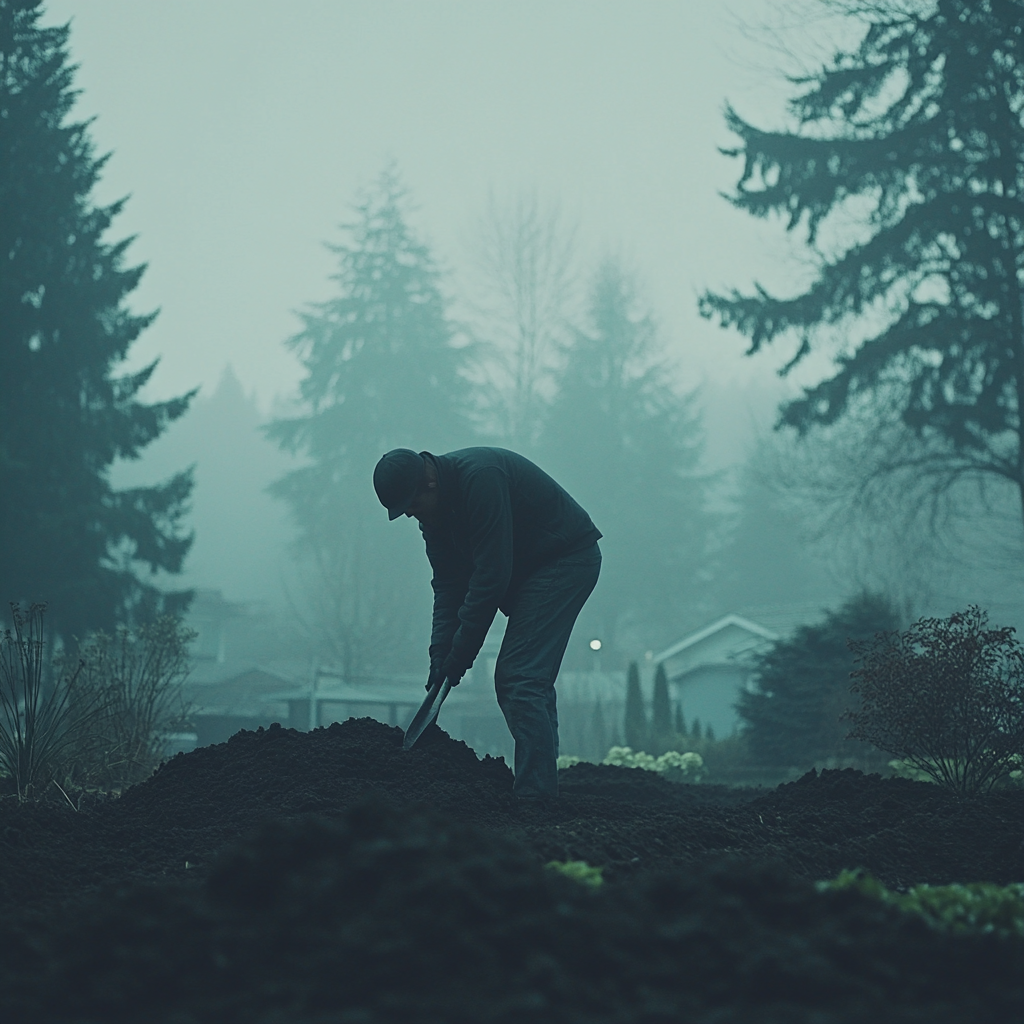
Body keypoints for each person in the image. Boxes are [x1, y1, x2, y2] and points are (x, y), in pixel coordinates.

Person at [373, 447, 601, 801]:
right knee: (529, 681)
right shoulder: (433, 519)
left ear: (430, 481)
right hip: (526, 572)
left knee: (518, 677)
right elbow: (449, 586)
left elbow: (491, 579)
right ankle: (542, 788)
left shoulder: (482, 479)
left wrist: (461, 655)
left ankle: (535, 799)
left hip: (564, 559)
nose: (410, 515)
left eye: (411, 504)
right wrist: (440, 655)